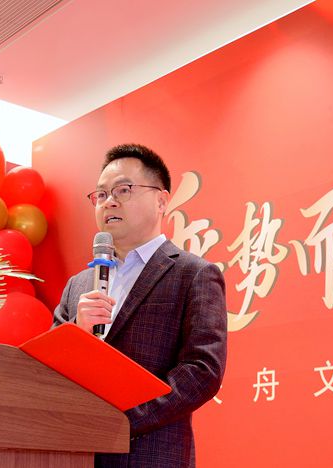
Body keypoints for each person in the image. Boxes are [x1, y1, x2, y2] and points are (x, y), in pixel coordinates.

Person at [53, 143, 227, 467]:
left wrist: (124, 419)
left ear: (161, 201)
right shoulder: (78, 285)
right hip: (74, 455)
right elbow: (48, 366)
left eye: (123, 190)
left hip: (150, 455)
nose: (109, 201)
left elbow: (202, 371)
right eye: (101, 194)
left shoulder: (193, 274)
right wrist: (77, 331)